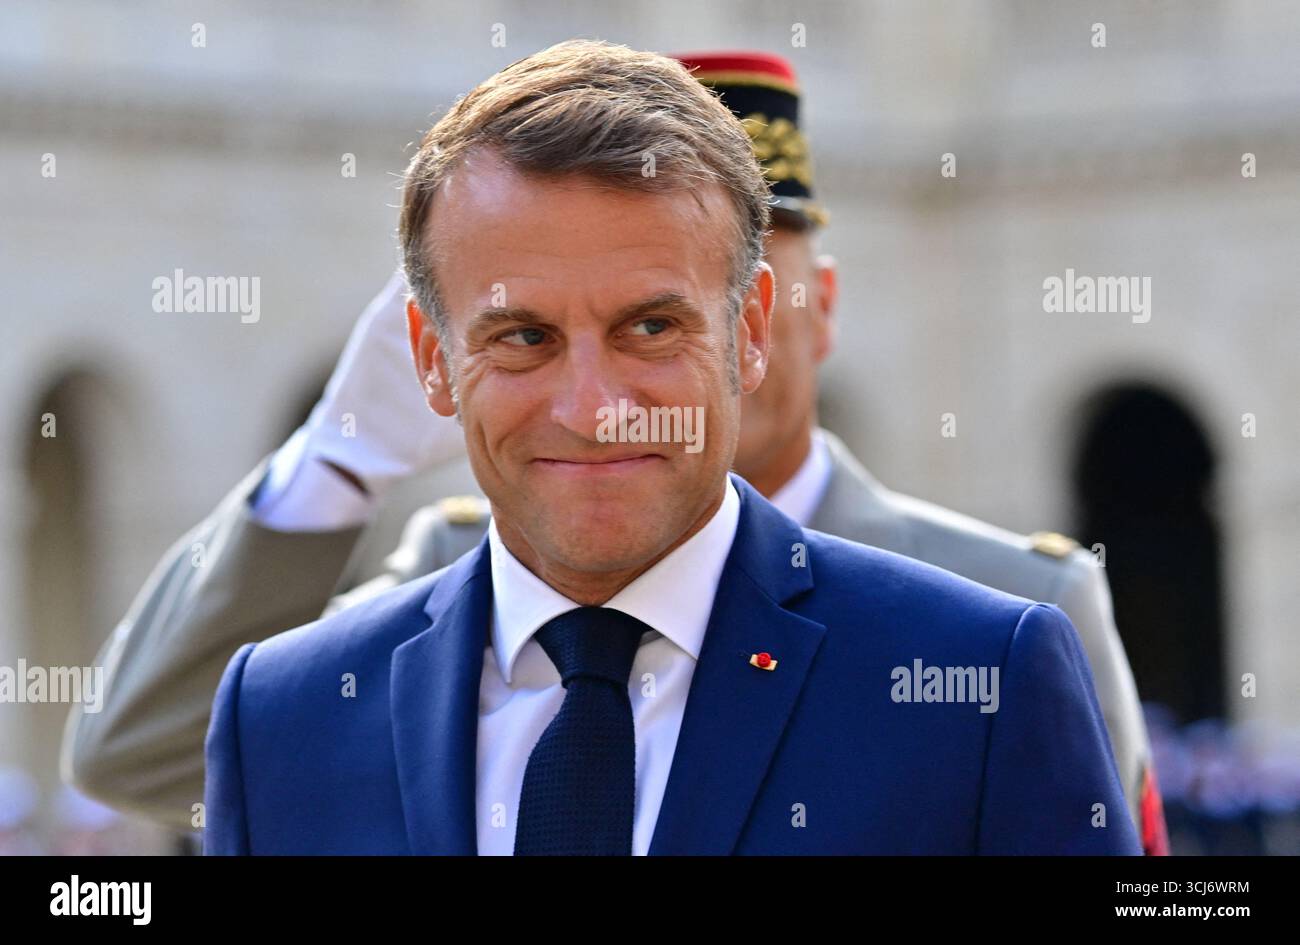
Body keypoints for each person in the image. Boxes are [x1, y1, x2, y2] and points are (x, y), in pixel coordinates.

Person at [63, 47, 1164, 854]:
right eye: (523, 336)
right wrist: (337, 459)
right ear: (429, 359)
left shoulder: (992, 665)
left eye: (650, 325)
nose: (595, 409)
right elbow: (134, 748)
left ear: (754, 328)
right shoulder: (288, 714)